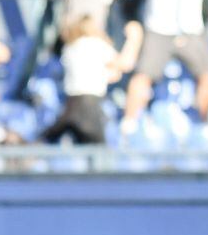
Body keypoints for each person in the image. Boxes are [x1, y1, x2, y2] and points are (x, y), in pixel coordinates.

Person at [42, 16, 141, 145]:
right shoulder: (95, 44)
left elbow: (100, 73)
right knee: (99, 152)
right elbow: (125, 63)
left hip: (71, 104)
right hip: (89, 105)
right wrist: (135, 39)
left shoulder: (70, 47)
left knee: (48, 140)